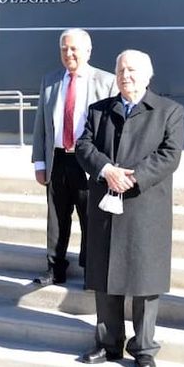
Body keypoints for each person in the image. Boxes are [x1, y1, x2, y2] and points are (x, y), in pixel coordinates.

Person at [75, 50, 184, 367]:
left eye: (133, 70)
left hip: (145, 206)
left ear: (148, 76)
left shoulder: (169, 111)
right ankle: (109, 343)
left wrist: (131, 177)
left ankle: (144, 348)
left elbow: (170, 154)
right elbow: (83, 146)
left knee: (145, 281)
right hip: (106, 203)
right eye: (121, 70)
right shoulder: (99, 110)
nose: (126, 75)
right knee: (105, 276)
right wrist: (107, 170)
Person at [30, 28, 115, 285]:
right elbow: (41, 124)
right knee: (56, 216)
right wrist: (39, 162)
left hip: (88, 161)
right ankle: (55, 268)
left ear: (87, 51)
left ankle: (92, 269)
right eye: (64, 49)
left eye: (74, 48)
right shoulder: (51, 80)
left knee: (90, 217)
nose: (69, 53)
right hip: (57, 159)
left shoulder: (106, 82)